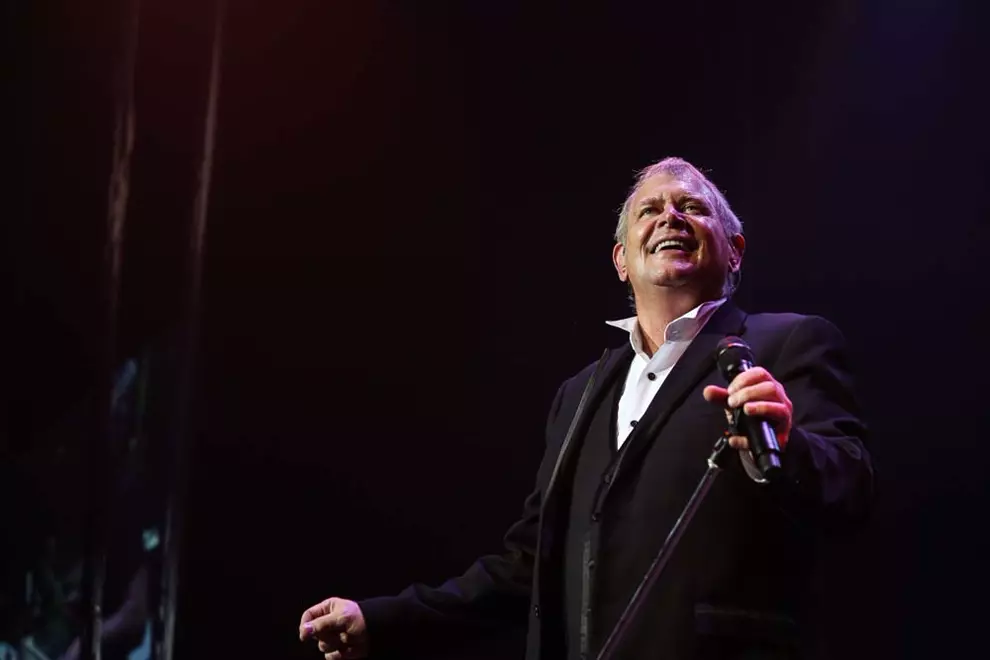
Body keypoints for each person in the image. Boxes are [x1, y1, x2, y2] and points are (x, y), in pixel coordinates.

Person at [298, 157, 874, 660]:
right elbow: (529, 567)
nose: (669, 217)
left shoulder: (787, 345)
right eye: (650, 210)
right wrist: (384, 621)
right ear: (622, 259)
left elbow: (850, 487)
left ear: (735, 250)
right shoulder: (579, 395)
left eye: (691, 206)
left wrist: (788, 445)